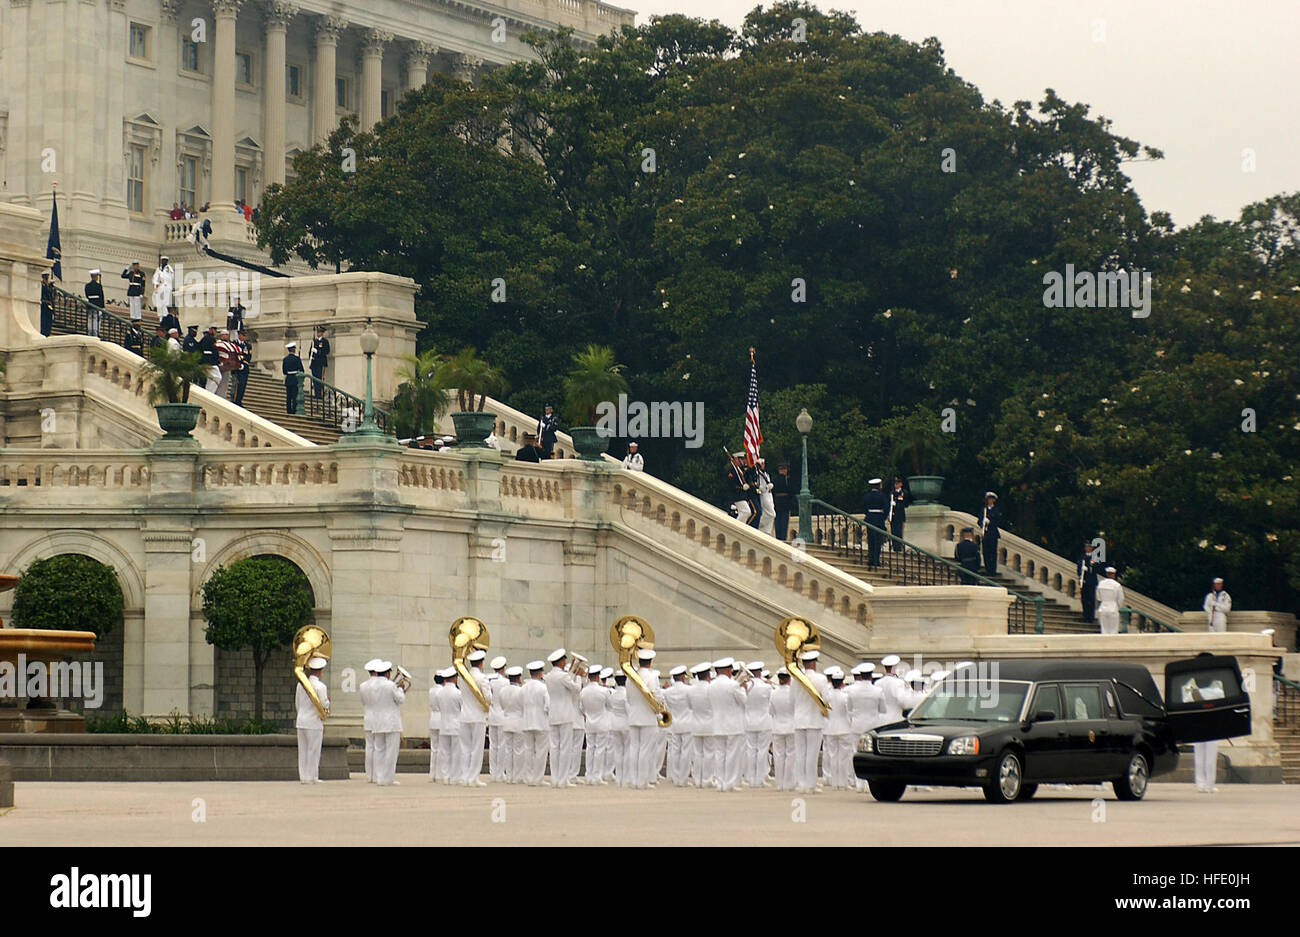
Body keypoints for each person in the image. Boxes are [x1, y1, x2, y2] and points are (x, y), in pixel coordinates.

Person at [622, 647, 664, 789]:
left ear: (639, 661)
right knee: (645, 750)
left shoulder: (630, 677)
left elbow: (628, 698)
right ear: (650, 662)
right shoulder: (652, 677)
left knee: (634, 749)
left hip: (634, 716)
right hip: (647, 717)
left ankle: (634, 780)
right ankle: (642, 781)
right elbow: (657, 696)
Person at [360, 661, 405, 786]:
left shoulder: (370, 686)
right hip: (391, 721)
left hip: (376, 721)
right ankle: (388, 778)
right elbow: (400, 699)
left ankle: (378, 777)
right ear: (387, 673)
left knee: (378, 749)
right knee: (391, 750)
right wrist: (401, 689)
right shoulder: (390, 685)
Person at [791, 650, 830, 793]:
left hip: (799, 719)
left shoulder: (796, 679)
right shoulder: (821, 679)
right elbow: (826, 699)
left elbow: (791, 700)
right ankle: (810, 784)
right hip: (814, 720)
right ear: (814, 664)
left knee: (800, 753)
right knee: (812, 754)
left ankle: (801, 783)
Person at [543, 648, 582, 787]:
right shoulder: (563, 676)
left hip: (553, 714)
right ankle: (563, 779)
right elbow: (576, 689)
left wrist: (571, 672)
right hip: (565, 715)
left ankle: (555, 778)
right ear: (560, 662)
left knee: (554, 748)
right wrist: (578, 675)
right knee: (565, 748)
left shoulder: (549, 676)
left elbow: (565, 682)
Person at [706, 658, 746, 792]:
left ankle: (720, 782)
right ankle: (729, 782)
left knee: (719, 755)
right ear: (728, 670)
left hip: (717, 724)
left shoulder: (711, 685)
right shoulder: (733, 685)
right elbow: (743, 701)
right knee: (732, 755)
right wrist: (743, 688)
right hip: (733, 725)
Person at [456, 649, 490, 786]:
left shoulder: (463, 678)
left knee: (465, 748)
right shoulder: (482, 678)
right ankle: (473, 777)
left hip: (464, 715)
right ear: (481, 663)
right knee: (476, 748)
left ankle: (464, 776)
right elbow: (488, 698)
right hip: (477, 716)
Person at [295, 655, 329, 783]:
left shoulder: (300, 685)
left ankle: (303, 776)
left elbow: (297, 704)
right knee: (313, 750)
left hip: (301, 720)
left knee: (303, 750)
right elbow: (324, 704)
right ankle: (312, 776)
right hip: (313, 722)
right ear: (320, 671)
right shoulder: (321, 686)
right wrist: (328, 702)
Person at [742, 660, 772, 787]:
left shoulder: (745, 686)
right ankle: (760, 778)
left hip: (749, 722)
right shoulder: (767, 687)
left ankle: (750, 778)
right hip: (764, 721)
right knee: (762, 751)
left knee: (750, 751)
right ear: (760, 673)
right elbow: (771, 703)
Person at [520, 660, 550, 786]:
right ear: (539, 673)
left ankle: (528, 777)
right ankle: (538, 778)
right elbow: (548, 706)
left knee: (528, 751)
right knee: (541, 752)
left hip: (527, 722)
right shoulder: (543, 687)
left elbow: (520, 704)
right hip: (541, 722)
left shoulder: (523, 688)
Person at [662, 666, 693, 787]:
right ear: (682, 677)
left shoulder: (667, 692)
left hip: (675, 723)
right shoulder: (689, 690)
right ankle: (683, 778)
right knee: (686, 752)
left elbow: (667, 707)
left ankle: (675, 777)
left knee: (675, 751)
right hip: (687, 723)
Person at [580, 667, 610, 784]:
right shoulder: (604, 691)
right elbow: (610, 705)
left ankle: (589, 775)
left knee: (590, 748)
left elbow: (581, 708)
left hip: (589, 723)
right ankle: (597, 776)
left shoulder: (583, 691)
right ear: (598, 676)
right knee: (600, 749)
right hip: (602, 722)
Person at [687, 663, 714, 788]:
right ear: (708, 675)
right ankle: (707, 779)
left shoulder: (691, 690)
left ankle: (697, 779)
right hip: (709, 724)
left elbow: (690, 706)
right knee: (709, 753)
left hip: (696, 724)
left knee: (697, 754)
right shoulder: (711, 688)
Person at [770, 668, 795, 791]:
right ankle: (788, 783)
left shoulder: (773, 693)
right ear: (789, 678)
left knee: (778, 756)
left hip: (777, 727)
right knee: (791, 756)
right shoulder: (793, 693)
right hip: (791, 726)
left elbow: (771, 711)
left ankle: (779, 783)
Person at [499, 666, 525, 784]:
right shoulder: (521, 691)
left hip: (506, 720)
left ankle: (509, 776)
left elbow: (502, 705)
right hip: (518, 721)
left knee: (508, 750)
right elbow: (524, 706)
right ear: (518, 678)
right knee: (518, 750)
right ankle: (517, 776)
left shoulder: (502, 691)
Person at [485, 656, 509, 782]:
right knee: (501, 745)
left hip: (492, 715)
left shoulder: (488, 680)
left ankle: (493, 772)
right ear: (503, 668)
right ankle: (500, 772)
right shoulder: (505, 682)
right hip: (502, 715)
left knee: (493, 745)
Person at [436, 668, 461, 784]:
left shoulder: (439, 693)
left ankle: (446, 776)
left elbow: (439, 708)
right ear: (454, 678)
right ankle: (455, 777)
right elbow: (462, 708)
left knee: (445, 752)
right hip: (456, 725)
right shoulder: (458, 693)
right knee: (456, 753)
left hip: (443, 724)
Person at [605, 668, 629, 785]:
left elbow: (610, 707)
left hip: (614, 724)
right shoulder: (627, 695)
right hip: (625, 724)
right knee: (627, 751)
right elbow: (629, 710)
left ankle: (619, 777)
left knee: (618, 751)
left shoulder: (612, 695)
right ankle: (625, 777)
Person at [863, 478, 888, 567]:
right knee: (878, 541)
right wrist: (883, 517)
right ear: (878, 486)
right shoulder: (882, 496)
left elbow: (864, 508)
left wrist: (869, 515)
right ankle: (876, 560)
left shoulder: (867, 496)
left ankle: (871, 559)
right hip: (879, 519)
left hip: (870, 519)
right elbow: (886, 508)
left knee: (871, 540)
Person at [728, 453, 758, 527]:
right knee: (746, 512)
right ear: (736, 459)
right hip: (736, 495)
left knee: (746, 512)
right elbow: (731, 484)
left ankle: (740, 528)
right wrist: (742, 487)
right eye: (740, 459)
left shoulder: (741, 470)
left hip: (743, 496)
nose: (742, 461)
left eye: (742, 459)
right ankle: (735, 527)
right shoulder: (732, 471)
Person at [978, 491, 1002, 574]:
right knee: (986, 552)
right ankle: (987, 569)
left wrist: (990, 522)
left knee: (992, 552)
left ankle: (992, 570)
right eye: (988, 499)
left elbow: (998, 522)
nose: (990, 500)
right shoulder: (983, 510)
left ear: (994, 500)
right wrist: (982, 522)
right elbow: (979, 521)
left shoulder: (996, 510)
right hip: (985, 534)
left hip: (993, 534)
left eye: (991, 499)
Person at [1095, 567, 1124, 634]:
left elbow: (1098, 597)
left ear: (1107, 574)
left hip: (1102, 607)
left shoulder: (1101, 583)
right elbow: (1121, 598)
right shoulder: (1117, 585)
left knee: (1104, 629)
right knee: (1113, 630)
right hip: (1113, 607)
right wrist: (1118, 606)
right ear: (1113, 575)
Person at [1078, 541, 1101, 622]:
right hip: (1084, 581)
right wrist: (1080, 576)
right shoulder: (1082, 557)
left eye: (1089, 547)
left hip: (1091, 581)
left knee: (1091, 599)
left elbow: (1096, 568)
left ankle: (1091, 616)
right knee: (1084, 599)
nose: (1087, 548)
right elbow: (1079, 568)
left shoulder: (1094, 557)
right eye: (1086, 547)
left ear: (1092, 548)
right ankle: (1085, 615)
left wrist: (1089, 567)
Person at [427, 670, 444, 781]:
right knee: (441, 748)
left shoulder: (431, 690)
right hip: (441, 718)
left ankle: (432, 773)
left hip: (433, 718)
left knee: (434, 749)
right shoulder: (442, 691)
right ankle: (439, 774)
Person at [214, 328, 240, 399]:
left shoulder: (230, 345)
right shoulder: (218, 343)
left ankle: (222, 397)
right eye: (225, 334)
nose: (226, 336)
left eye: (227, 335)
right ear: (221, 335)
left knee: (225, 383)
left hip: (227, 366)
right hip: (220, 365)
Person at [772, 462, 793, 542]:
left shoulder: (774, 479)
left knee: (777, 521)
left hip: (776, 502)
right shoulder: (787, 479)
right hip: (785, 503)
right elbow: (791, 491)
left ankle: (778, 538)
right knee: (784, 522)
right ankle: (783, 538)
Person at [196, 325, 221, 392]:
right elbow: (214, 350)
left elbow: (198, 348)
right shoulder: (211, 339)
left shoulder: (204, 339)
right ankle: (210, 392)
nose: (215, 332)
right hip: (210, 361)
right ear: (211, 330)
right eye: (214, 330)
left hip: (204, 360)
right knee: (217, 377)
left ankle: (208, 391)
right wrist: (217, 360)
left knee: (211, 378)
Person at [282, 341, 304, 414]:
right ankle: (294, 410)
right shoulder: (297, 359)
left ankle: (288, 410)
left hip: (288, 379)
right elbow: (301, 370)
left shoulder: (285, 359)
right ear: (294, 349)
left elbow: (284, 371)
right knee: (294, 396)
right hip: (295, 379)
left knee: (288, 396)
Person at [755, 458, 776, 536]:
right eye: (762, 463)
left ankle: (767, 531)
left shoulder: (766, 474)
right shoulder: (758, 475)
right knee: (772, 514)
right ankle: (759, 524)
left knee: (770, 514)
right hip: (764, 495)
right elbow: (759, 486)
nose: (763, 465)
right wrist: (767, 487)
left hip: (769, 495)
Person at [887, 476, 908, 549]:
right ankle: (895, 546)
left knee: (899, 532)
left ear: (901, 484)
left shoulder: (904, 493)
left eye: (898, 483)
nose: (896, 485)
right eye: (895, 483)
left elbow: (905, 504)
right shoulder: (891, 493)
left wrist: (897, 505)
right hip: (893, 515)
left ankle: (899, 546)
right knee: (893, 531)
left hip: (900, 515)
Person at [309, 326, 330, 398]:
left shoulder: (325, 341)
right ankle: (316, 393)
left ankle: (320, 393)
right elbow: (310, 352)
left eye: (319, 332)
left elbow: (326, 351)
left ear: (322, 333)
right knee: (314, 379)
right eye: (317, 332)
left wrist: (317, 351)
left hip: (321, 363)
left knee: (320, 378)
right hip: (314, 363)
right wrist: (310, 359)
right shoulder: (314, 341)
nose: (318, 333)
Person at [84, 270, 104, 338]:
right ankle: (95, 334)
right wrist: (102, 307)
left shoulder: (87, 286)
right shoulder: (99, 286)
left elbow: (87, 295)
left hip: (90, 304)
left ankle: (89, 333)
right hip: (97, 304)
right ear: (95, 277)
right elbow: (101, 296)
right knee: (95, 320)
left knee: (90, 320)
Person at [233, 332, 252, 407]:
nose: (244, 337)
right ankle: (235, 399)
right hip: (237, 367)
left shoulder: (247, 345)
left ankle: (239, 400)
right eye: (242, 335)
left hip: (245, 367)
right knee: (238, 384)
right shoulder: (235, 344)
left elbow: (249, 356)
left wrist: (244, 361)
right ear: (239, 335)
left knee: (243, 385)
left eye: (245, 336)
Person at [39, 272, 55, 337]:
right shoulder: (42, 286)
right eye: (46, 278)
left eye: (47, 278)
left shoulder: (49, 287)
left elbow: (51, 297)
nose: (46, 280)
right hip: (44, 307)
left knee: (49, 323)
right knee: (44, 323)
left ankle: (47, 333)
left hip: (49, 308)